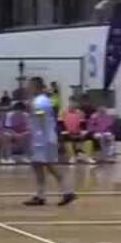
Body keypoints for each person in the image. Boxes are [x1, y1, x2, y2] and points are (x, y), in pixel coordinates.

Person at [24, 77, 76, 207]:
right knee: (37, 166)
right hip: (40, 138)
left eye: (29, 85)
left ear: (36, 87)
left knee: (51, 166)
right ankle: (40, 195)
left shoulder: (41, 102)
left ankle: (68, 192)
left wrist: (40, 136)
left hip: (44, 139)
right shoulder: (39, 100)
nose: (27, 88)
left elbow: (41, 117)